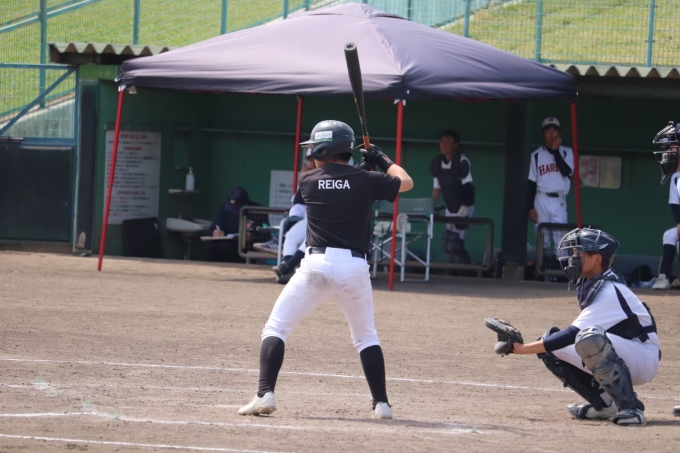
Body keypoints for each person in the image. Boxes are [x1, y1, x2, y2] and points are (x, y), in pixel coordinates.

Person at [237, 120, 413, 420]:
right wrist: (381, 160)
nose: (311, 155)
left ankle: (265, 393)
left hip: (316, 267)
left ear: (324, 149)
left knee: (276, 328)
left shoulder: (307, 180)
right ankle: (382, 404)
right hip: (355, 268)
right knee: (366, 337)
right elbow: (405, 181)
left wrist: (360, 172)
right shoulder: (366, 179)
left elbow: (338, 182)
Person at [493, 228, 660, 426]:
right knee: (549, 344)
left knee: (588, 338)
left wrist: (521, 349)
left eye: (578, 253)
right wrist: (529, 347)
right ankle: (605, 404)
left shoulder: (609, 290)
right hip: (626, 351)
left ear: (597, 259)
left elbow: (573, 333)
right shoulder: (594, 283)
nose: (572, 258)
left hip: (642, 357)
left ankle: (631, 409)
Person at [527, 117, 574, 265]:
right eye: (548, 130)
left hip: (559, 199)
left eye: (554, 130)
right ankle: (543, 270)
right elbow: (531, 183)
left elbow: (566, 171)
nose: (551, 132)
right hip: (540, 198)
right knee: (543, 240)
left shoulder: (567, 152)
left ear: (559, 133)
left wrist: (555, 151)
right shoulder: (536, 155)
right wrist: (530, 206)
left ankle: (560, 271)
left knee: (561, 240)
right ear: (543, 133)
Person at [430, 130, 475, 265]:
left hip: (464, 207)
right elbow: (437, 189)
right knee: (447, 243)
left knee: (455, 243)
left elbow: (467, 186)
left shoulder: (462, 161)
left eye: (448, 141)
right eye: (442, 141)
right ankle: (450, 270)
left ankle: (465, 270)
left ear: (455, 144)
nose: (444, 144)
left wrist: (464, 208)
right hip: (450, 207)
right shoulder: (438, 163)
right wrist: (430, 206)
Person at [651, 122, 680, 290]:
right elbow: (675, 205)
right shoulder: (676, 177)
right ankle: (664, 278)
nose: (668, 152)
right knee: (670, 235)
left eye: (672, 147)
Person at [206, 187, 261, 262]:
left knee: (228, 247)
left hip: (246, 247)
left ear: (246, 202)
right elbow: (212, 228)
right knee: (211, 247)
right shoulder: (224, 208)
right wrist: (215, 232)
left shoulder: (257, 210)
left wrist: (252, 237)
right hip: (226, 243)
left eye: (237, 208)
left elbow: (265, 236)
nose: (235, 211)